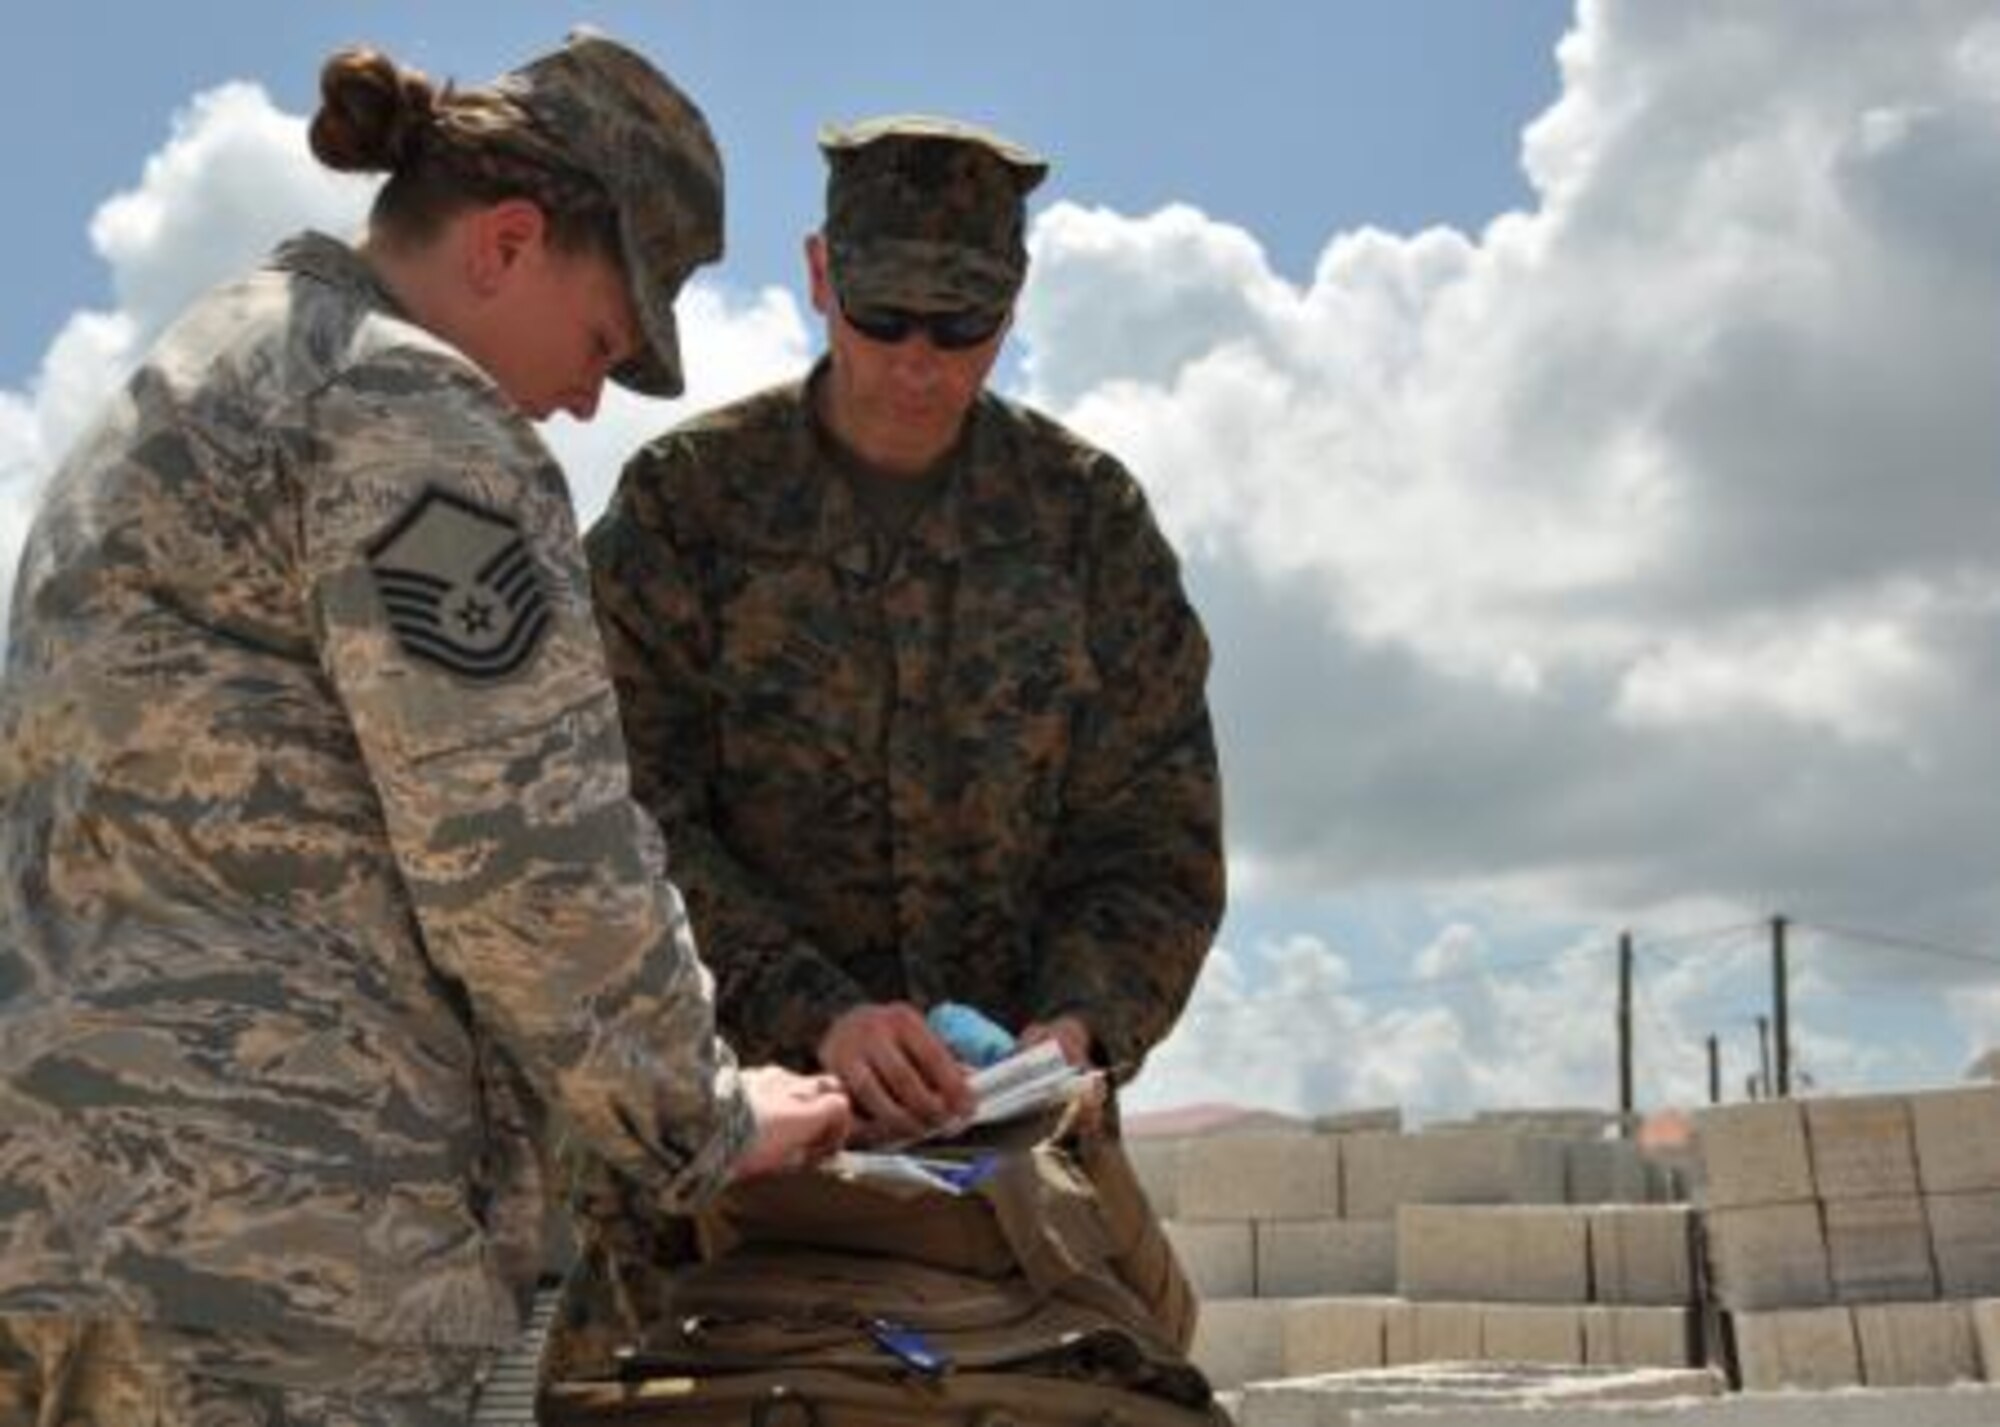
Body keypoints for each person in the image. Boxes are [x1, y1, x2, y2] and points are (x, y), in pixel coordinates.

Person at [0, 31, 848, 1426]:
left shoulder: (206, 366)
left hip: (73, 1227)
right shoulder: (410, 410)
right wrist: (709, 1116)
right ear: (507, 243)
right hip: (282, 1252)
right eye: (601, 342)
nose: (582, 398)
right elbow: (526, 849)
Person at [587, 115, 1225, 1148]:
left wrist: (1076, 1028)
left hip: (1014, 1149)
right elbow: (619, 814)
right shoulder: (687, 505)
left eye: (959, 321)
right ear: (819, 275)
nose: (917, 361)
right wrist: (814, 1010)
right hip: (739, 1137)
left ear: (1012, 306)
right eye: (882, 315)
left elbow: (1154, 841)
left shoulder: (1088, 521)